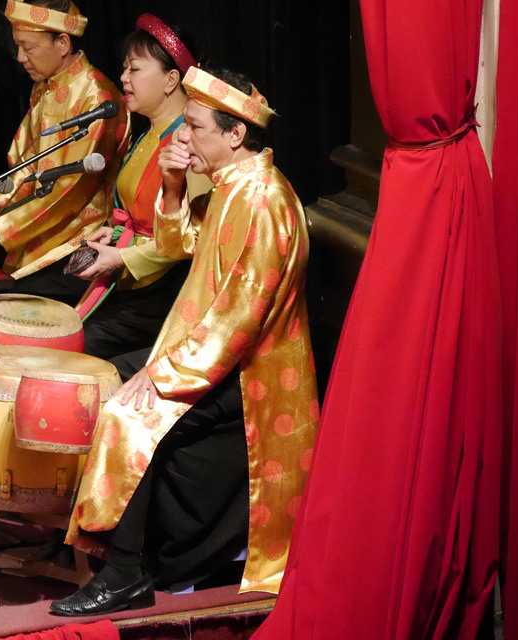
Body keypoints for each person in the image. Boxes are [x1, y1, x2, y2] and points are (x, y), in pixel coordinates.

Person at [51, 65, 319, 617]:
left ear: (236, 134)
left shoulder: (263, 201)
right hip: (210, 355)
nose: (183, 137)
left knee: (130, 414)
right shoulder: (232, 186)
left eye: (195, 127)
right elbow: (182, 243)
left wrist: (166, 375)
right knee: (110, 380)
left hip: (248, 377)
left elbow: (239, 319)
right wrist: (173, 187)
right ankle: (121, 550)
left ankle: (125, 574)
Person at [0, 0, 128, 304]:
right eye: (18, 46)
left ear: (62, 44)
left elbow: (71, 187)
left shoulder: (97, 97)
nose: (20, 57)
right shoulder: (45, 87)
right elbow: (27, 167)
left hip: (77, 242)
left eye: (28, 47)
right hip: (34, 232)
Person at [75, 13, 211, 374]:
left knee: (74, 349)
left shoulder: (189, 141)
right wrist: (115, 233)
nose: (123, 78)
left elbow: (195, 239)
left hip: (165, 294)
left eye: (134, 69)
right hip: (136, 285)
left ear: (171, 80)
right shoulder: (149, 133)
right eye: (124, 69)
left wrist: (122, 258)